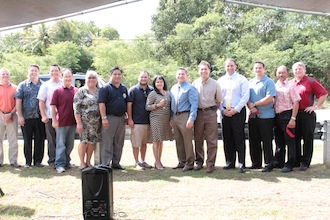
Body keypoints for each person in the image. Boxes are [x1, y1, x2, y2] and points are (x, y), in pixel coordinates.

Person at [291, 62, 328, 171]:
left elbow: (323, 93)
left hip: (307, 113)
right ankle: (296, 160)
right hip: (294, 114)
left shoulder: (310, 81)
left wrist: (316, 106)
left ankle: (305, 162)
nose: (298, 71)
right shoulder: (291, 83)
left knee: (307, 138)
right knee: (295, 138)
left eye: (300, 69)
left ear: (304, 70)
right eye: (296, 69)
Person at [217, 58, 249, 173]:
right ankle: (230, 162)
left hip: (238, 112)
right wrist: (222, 109)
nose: (230, 68)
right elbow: (218, 97)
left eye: (232, 65)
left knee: (239, 137)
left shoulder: (242, 79)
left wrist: (235, 110)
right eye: (227, 66)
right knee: (227, 137)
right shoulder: (220, 81)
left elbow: (245, 96)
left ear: (235, 66)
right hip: (225, 112)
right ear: (225, 67)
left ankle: (241, 163)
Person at [192, 61, 222, 173]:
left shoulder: (215, 84)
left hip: (210, 113)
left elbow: (219, 101)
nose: (203, 71)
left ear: (209, 70)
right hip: (198, 113)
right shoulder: (194, 83)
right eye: (201, 69)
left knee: (212, 140)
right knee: (198, 139)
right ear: (198, 71)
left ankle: (210, 163)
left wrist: (212, 111)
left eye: (206, 69)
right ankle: (199, 162)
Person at [247, 61, 276, 172]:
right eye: (256, 68)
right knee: (254, 140)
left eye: (260, 68)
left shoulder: (269, 82)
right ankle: (256, 163)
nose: (258, 70)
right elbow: (246, 96)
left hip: (266, 116)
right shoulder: (250, 82)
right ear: (253, 70)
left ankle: (269, 163)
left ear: (264, 69)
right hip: (253, 115)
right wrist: (250, 106)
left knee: (266, 140)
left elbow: (270, 97)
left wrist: (255, 104)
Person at [15, 64, 45, 168]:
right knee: (27, 140)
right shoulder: (22, 85)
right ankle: (27, 162)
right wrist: (20, 116)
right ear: (28, 72)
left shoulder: (43, 85)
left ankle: (38, 161)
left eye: (35, 71)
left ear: (38, 72)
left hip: (40, 117)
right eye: (31, 71)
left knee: (39, 139)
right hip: (26, 117)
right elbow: (18, 101)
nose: (33, 72)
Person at [98, 67, 127, 170]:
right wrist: (104, 117)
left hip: (121, 119)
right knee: (107, 142)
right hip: (109, 118)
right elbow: (101, 103)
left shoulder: (123, 88)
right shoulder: (105, 88)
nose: (117, 76)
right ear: (110, 75)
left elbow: (126, 103)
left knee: (119, 142)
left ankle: (116, 163)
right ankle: (105, 164)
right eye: (115, 74)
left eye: (119, 74)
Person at [273, 66, 301, 173]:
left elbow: (296, 102)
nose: (281, 75)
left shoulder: (291, 86)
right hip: (276, 116)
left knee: (290, 141)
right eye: (279, 73)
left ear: (287, 74)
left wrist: (293, 118)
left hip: (287, 115)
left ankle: (290, 164)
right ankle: (279, 161)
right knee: (279, 140)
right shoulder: (275, 86)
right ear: (276, 74)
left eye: (283, 73)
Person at [171, 67, 198, 172]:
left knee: (187, 140)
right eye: (178, 74)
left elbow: (194, 104)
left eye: (182, 74)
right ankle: (181, 161)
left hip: (185, 115)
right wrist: (171, 117)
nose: (180, 76)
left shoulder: (190, 88)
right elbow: (171, 104)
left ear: (186, 75)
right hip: (175, 116)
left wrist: (191, 118)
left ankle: (190, 162)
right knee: (178, 140)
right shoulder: (173, 88)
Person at [50, 69, 77, 173]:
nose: (68, 78)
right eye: (66, 76)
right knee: (61, 144)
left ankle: (67, 162)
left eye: (69, 76)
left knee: (70, 144)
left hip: (72, 122)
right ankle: (59, 164)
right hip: (61, 122)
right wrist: (54, 120)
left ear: (72, 78)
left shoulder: (76, 91)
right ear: (62, 78)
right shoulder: (57, 91)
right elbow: (52, 106)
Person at [74, 70, 101, 170]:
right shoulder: (81, 91)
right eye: (89, 78)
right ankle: (82, 162)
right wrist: (79, 123)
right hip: (84, 122)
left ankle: (88, 161)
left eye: (93, 78)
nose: (91, 80)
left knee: (92, 142)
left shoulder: (99, 91)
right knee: (83, 141)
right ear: (86, 79)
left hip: (96, 122)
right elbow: (76, 108)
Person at [127, 70, 153, 170]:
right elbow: (129, 105)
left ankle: (142, 161)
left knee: (144, 143)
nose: (143, 79)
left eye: (145, 77)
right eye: (142, 77)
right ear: (138, 78)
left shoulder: (151, 90)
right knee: (136, 143)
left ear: (148, 78)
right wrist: (130, 119)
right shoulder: (133, 90)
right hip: (136, 121)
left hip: (148, 121)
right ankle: (136, 162)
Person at [37, 64, 62, 169]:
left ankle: (62, 160)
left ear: (59, 72)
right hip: (49, 116)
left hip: (62, 117)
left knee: (61, 140)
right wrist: (43, 115)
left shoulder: (63, 83)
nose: (54, 73)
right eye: (52, 71)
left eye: (56, 71)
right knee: (51, 140)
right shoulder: (45, 85)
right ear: (49, 72)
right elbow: (41, 101)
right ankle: (52, 160)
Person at [146, 75, 173, 170]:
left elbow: (170, 107)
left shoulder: (168, 93)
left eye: (161, 82)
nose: (159, 83)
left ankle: (159, 160)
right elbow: (147, 107)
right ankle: (156, 162)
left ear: (164, 83)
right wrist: (157, 105)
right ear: (154, 84)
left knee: (161, 141)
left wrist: (171, 118)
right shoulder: (152, 94)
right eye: (157, 82)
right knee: (156, 140)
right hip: (155, 119)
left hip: (165, 119)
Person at [0, 68, 20, 168]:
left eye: (7, 74)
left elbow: (18, 103)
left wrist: (10, 114)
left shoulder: (15, 88)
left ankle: (13, 161)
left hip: (12, 115)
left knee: (13, 140)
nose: (5, 76)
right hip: (0, 116)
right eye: (3, 74)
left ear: (9, 75)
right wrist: (2, 114)